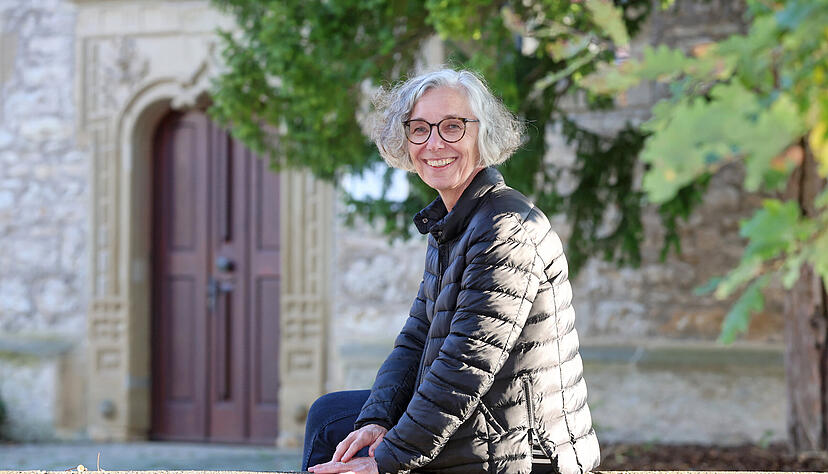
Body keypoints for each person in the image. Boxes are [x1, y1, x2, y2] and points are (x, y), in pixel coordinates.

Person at [302, 68, 600, 474]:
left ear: (483, 133)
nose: (434, 143)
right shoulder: (453, 222)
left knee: (334, 434)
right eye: (419, 129)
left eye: (452, 127)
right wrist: (377, 420)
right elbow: (416, 338)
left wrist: (387, 460)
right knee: (332, 417)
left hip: (522, 448)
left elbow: (465, 366)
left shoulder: (504, 228)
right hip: (480, 419)